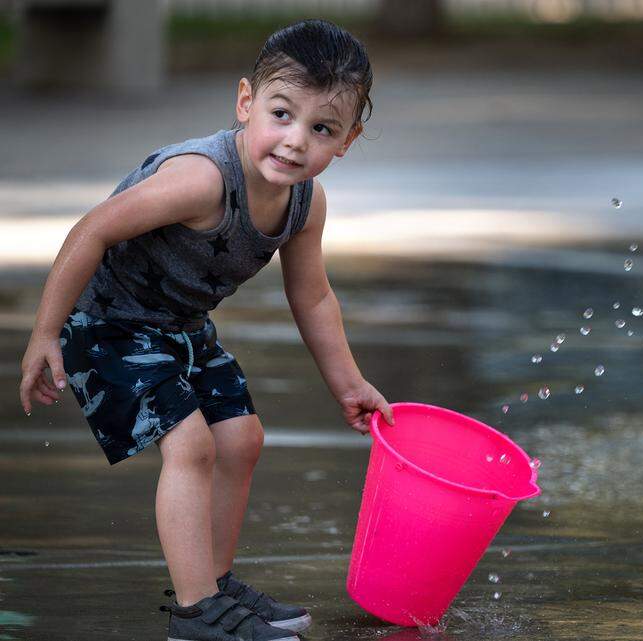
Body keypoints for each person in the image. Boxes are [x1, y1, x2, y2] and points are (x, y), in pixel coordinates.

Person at [17, 19, 395, 641]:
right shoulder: (202, 179)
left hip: (179, 325)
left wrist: (348, 383)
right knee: (190, 445)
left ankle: (213, 587)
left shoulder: (306, 203)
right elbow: (94, 229)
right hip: (105, 321)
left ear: (347, 140)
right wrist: (45, 334)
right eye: (281, 114)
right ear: (246, 102)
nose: (295, 141)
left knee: (242, 440)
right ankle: (197, 615)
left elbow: (314, 295)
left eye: (321, 128)